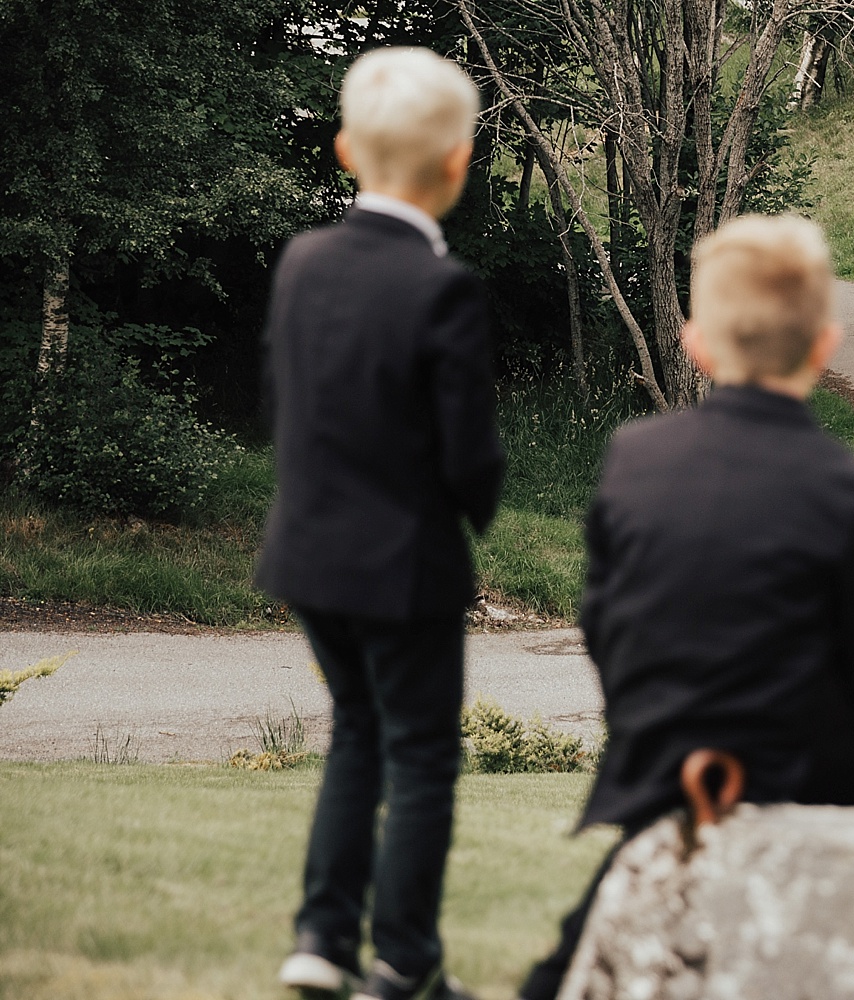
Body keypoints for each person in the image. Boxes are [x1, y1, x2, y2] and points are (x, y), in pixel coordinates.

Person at [517, 214, 854, 1000]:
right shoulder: (847, 486)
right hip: (802, 773)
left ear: (696, 344)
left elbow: (603, 624)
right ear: (824, 346)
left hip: (666, 759)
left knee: (588, 938)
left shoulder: (635, 458)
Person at [256, 47, 505, 1000]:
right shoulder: (444, 287)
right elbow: (467, 450)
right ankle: (403, 962)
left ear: (346, 150)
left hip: (308, 551)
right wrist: (478, 505)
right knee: (422, 755)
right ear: (457, 161)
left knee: (356, 731)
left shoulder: (302, 262)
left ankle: (322, 937)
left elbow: (282, 405)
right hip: (404, 563)